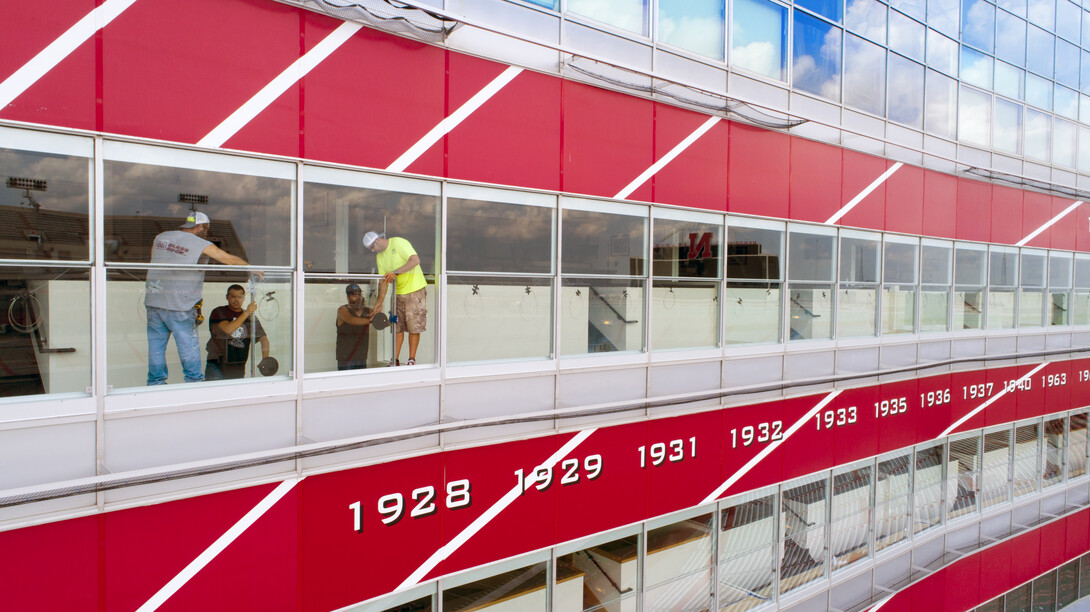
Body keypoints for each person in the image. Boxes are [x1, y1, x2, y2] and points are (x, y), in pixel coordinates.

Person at [145, 211, 255, 385]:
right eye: (206, 228)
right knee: (188, 348)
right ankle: (194, 384)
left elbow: (154, 260)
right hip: (180, 304)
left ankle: (155, 384)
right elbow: (227, 259)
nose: (207, 232)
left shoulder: (161, 237)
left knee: (156, 348)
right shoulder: (199, 242)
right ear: (200, 226)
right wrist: (252, 267)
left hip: (154, 301)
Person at [363, 231, 426, 366]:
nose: (373, 251)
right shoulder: (380, 257)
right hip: (398, 292)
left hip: (415, 290)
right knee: (397, 326)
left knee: (414, 326)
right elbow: (384, 281)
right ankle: (395, 360)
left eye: (372, 248)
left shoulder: (399, 242)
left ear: (378, 241)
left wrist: (396, 272)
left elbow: (415, 260)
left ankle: (411, 359)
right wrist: (379, 303)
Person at [204, 284, 270, 380]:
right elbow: (228, 329)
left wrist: (265, 359)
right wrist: (246, 312)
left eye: (240, 297)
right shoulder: (219, 311)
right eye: (233, 296)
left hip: (238, 368)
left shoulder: (251, 318)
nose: (236, 300)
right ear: (227, 297)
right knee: (215, 393)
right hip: (216, 365)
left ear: (244, 298)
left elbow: (264, 339)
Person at [336, 283, 371, 370]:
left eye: (359, 294)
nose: (357, 297)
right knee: (345, 382)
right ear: (348, 297)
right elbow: (352, 320)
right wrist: (371, 320)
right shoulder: (342, 310)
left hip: (362, 356)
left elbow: (380, 320)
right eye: (354, 295)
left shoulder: (367, 310)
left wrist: (389, 320)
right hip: (346, 358)